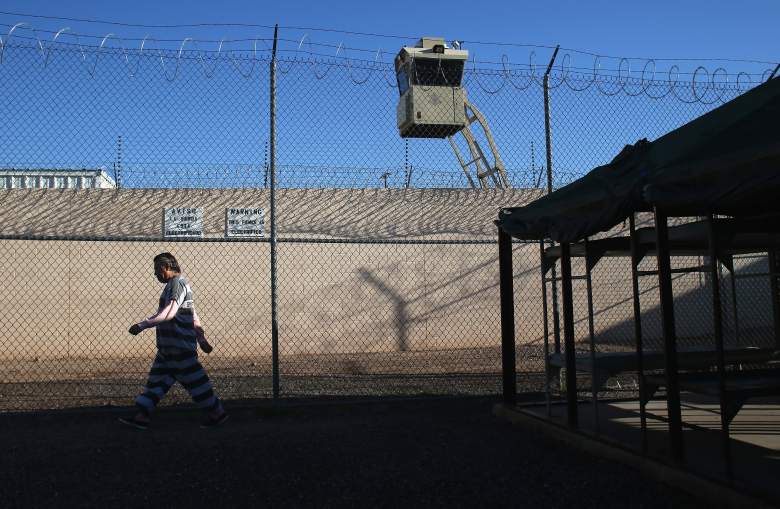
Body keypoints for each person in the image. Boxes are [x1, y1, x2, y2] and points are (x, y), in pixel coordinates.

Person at [119, 252, 227, 430]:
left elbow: (169, 312)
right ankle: (141, 417)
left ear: (165, 267)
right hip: (168, 350)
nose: (155, 274)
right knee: (155, 383)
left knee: (197, 383)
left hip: (179, 349)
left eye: (156, 269)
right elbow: (192, 314)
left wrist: (142, 325)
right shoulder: (174, 285)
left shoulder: (177, 284)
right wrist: (201, 339)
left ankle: (218, 414)